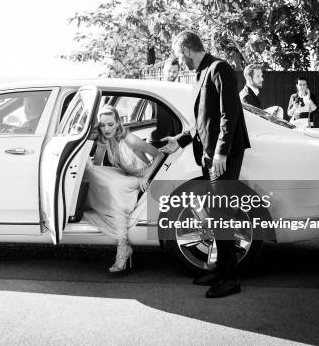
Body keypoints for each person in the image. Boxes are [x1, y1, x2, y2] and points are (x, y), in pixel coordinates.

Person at [159, 30, 250, 298]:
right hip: (209, 154)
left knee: (222, 216)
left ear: (186, 50)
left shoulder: (219, 68)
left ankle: (231, 279)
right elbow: (201, 121)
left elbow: (228, 115)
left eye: (178, 55)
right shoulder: (202, 73)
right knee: (216, 215)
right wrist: (180, 140)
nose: (179, 60)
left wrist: (221, 152)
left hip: (224, 155)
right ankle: (221, 271)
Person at [83, 105, 164, 273]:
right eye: (102, 125)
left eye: (110, 124)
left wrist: (146, 177)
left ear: (118, 122)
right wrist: (100, 143)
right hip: (125, 175)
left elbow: (158, 155)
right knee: (89, 170)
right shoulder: (106, 137)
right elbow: (97, 167)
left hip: (141, 179)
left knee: (114, 186)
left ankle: (123, 246)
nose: (106, 129)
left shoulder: (130, 139)